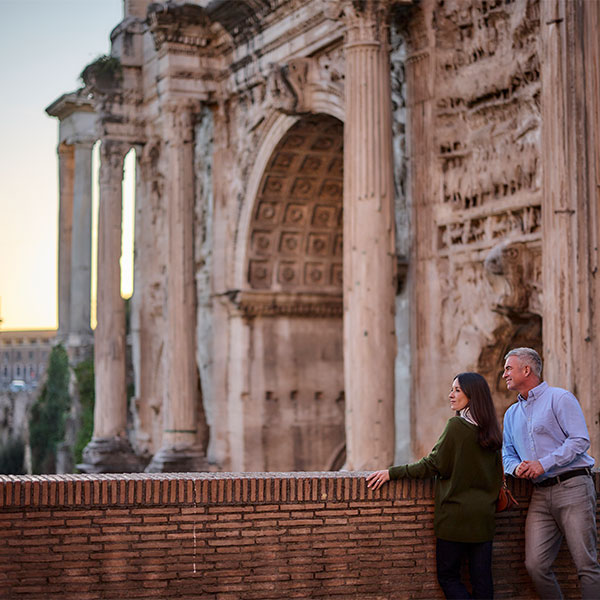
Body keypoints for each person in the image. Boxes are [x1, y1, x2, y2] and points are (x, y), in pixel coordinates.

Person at [367, 372, 503, 599]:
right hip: (484, 517)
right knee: (482, 583)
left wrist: (392, 473)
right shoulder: (491, 430)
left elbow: (431, 464)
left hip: (455, 517)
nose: (451, 395)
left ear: (473, 395)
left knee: (448, 577)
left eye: (457, 390)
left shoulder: (457, 426)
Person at [502, 347, 600, 599]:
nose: (504, 375)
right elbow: (507, 455)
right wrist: (517, 467)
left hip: (573, 488)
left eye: (508, 368)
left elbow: (579, 440)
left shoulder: (560, 398)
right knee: (535, 565)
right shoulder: (511, 414)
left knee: (586, 566)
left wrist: (542, 464)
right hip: (540, 494)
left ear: (527, 369)